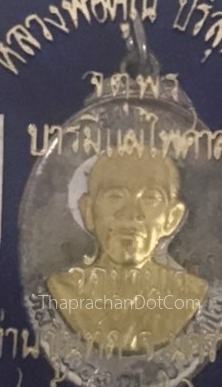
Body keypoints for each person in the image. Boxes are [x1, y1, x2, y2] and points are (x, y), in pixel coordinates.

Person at [47, 148, 208, 352]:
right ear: (88, 211)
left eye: (150, 198)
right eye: (115, 196)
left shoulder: (189, 294)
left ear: (172, 218)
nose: (131, 213)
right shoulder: (64, 291)